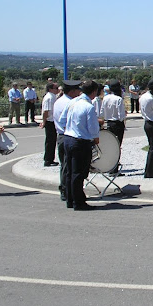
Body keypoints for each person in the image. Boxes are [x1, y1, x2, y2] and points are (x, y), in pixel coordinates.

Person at [60, 80, 101, 210]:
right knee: (79, 173)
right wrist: (95, 138)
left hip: (68, 138)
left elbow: (62, 120)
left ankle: (70, 199)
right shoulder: (88, 107)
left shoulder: (72, 102)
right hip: (80, 141)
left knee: (69, 171)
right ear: (94, 92)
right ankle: (79, 202)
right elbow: (93, 128)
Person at [54, 79, 82, 201]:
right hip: (67, 136)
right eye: (77, 90)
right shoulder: (70, 103)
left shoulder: (59, 101)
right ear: (72, 91)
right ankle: (66, 191)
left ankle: (65, 189)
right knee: (68, 167)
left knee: (65, 165)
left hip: (61, 136)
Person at [100, 79, 126, 175]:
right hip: (117, 123)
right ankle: (115, 168)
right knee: (118, 146)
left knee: (111, 145)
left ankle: (110, 167)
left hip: (109, 122)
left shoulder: (106, 98)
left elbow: (102, 112)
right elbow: (121, 115)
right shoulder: (118, 99)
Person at [40, 82, 60, 166]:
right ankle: (48, 160)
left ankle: (50, 158)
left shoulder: (53, 97)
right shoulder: (49, 98)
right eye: (56, 88)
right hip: (49, 121)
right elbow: (46, 112)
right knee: (50, 141)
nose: (57, 89)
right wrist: (44, 122)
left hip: (52, 121)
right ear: (51, 89)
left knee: (52, 141)